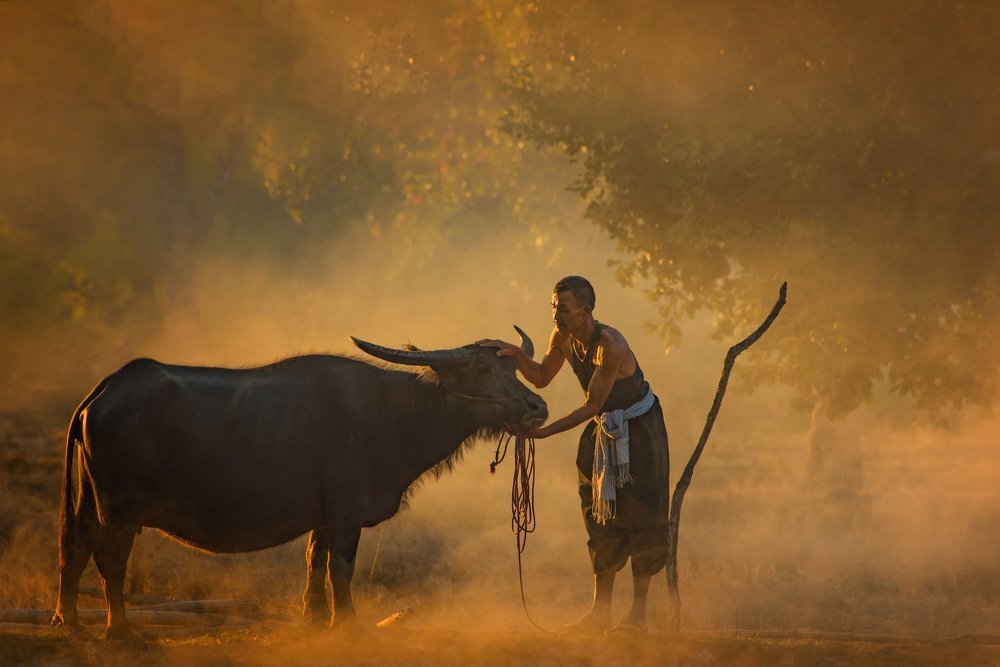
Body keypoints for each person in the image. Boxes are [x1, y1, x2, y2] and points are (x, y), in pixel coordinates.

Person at [478, 275, 670, 634]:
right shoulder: (562, 338)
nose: (556, 314)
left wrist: (545, 432)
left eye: (563, 308)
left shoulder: (610, 345)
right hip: (603, 427)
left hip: (640, 432)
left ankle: (638, 617)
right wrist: (515, 354)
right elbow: (540, 377)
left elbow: (591, 405)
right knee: (599, 515)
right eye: (554, 306)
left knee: (644, 514)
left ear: (586, 310)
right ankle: (600, 613)